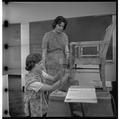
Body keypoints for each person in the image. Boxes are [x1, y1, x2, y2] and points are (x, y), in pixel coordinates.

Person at [24, 53, 70, 117]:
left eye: (42, 62)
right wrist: (65, 77)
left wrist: (61, 71)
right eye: (40, 63)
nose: (43, 65)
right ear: (33, 65)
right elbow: (52, 88)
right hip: (33, 109)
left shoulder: (40, 72)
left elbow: (53, 79)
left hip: (41, 104)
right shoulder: (32, 82)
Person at [42, 16, 78, 91]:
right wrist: (43, 65)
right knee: (51, 84)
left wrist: (68, 56)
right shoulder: (47, 35)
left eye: (63, 26)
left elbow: (66, 50)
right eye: (59, 25)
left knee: (63, 82)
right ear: (55, 24)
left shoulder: (64, 36)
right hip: (50, 61)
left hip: (61, 60)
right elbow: (44, 52)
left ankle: (61, 97)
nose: (61, 28)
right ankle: (51, 97)